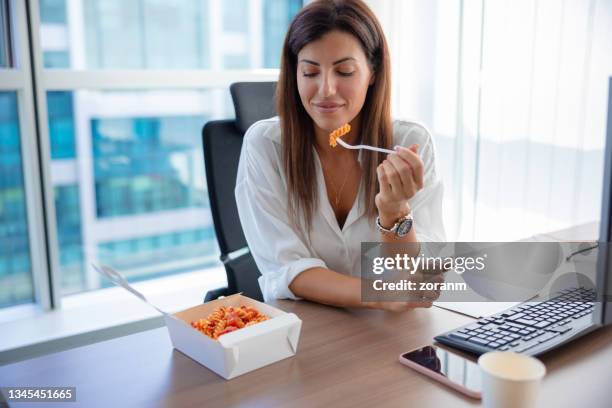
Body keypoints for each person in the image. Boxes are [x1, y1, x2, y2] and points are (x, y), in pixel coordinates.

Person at [235, 0, 445, 311]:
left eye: (344, 71)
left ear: (372, 72)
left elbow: (419, 282)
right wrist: (379, 295)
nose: (326, 90)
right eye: (310, 72)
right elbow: (286, 268)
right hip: (309, 325)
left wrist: (395, 211)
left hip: (392, 332)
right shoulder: (266, 145)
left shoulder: (409, 143)